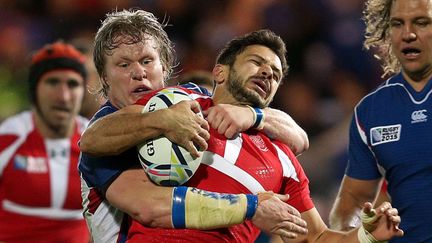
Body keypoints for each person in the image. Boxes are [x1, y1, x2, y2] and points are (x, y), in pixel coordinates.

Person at [81, 21, 403, 242]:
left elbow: (314, 236)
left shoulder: (282, 157)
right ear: (219, 71)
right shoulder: (177, 105)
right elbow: (95, 139)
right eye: (255, 62)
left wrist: (366, 235)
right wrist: (251, 206)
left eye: (276, 73)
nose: (267, 71)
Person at [78, 9, 311, 242]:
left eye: (147, 61)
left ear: (165, 66)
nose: (139, 72)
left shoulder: (194, 98)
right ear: (104, 77)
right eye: (123, 65)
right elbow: (150, 206)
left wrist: (253, 114)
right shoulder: (106, 134)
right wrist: (251, 206)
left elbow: (299, 139)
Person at [329, 0, 432, 242]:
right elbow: (353, 200)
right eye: (397, 24)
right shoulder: (370, 111)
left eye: (421, 22)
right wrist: (359, 229)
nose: (408, 34)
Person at [0, 41, 90, 242]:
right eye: (52, 82)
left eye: (73, 84)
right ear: (34, 90)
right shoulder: (9, 138)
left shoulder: (95, 142)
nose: (63, 96)